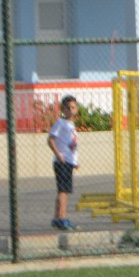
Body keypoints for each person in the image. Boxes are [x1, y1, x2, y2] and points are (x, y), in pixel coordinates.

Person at [47, 95, 80, 231]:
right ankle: (62, 218)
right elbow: (50, 140)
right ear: (63, 110)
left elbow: (71, 144)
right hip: (62, 162)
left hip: (69, 161)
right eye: (67, 108)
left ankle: (57, 218)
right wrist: (58, 154)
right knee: (63, 191)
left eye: (73, 107)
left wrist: (75, 161)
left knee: (64, 191)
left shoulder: (71, 124)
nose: (70, 110)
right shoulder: (60, 123)